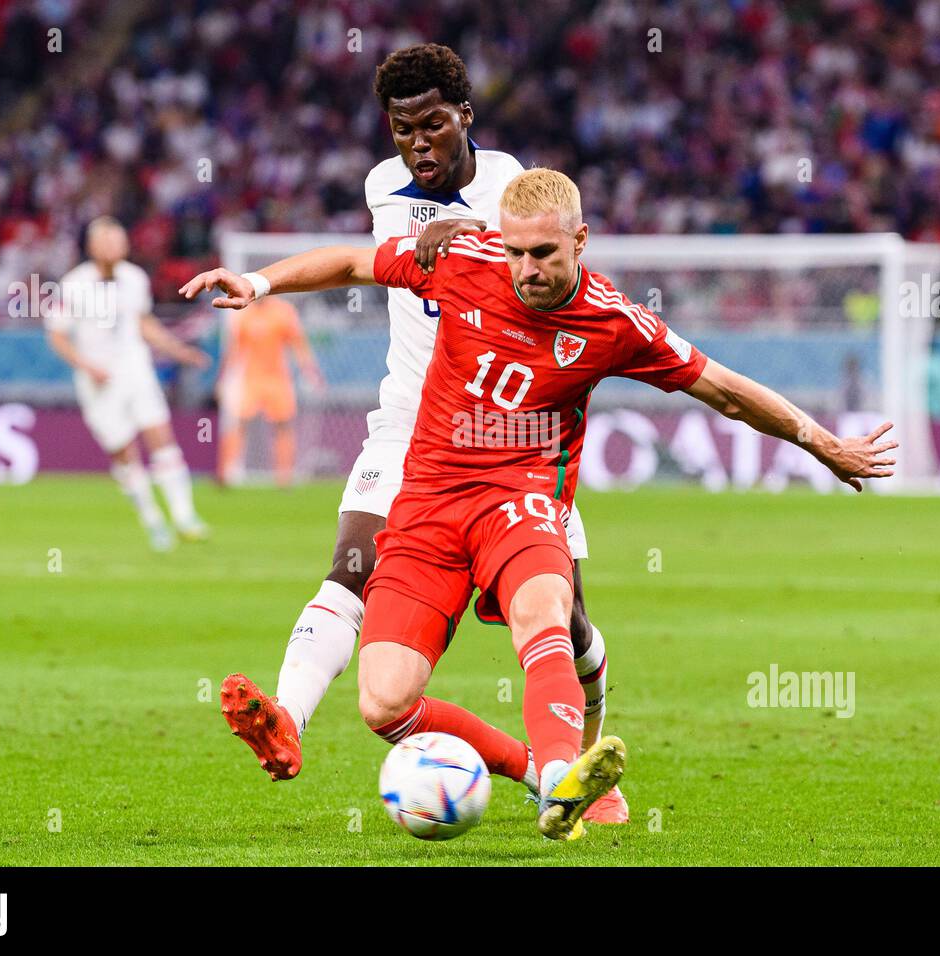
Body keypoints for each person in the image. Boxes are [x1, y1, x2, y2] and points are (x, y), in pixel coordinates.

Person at [181, 168, 898, 840]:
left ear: (580, 241)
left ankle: (562, 779)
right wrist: (257, 281)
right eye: (517, 252)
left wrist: (821, 442)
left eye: (545, 253)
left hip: (520, 502)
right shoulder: (462, 260)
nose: (527, 270)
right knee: (383, 704)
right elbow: (350, 264)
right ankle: (538, 773)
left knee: (545, 610)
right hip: (427, 503)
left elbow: (727, 391)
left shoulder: (616, 322)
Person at [201, 44, 626, 823]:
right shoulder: (380, 187)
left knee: (563, 620)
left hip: (511, 431)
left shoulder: (509, 187)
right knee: (352, 564)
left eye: (433, 125)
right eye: (402, 131)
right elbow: (364, 264)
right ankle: (289, 720)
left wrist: (461, 235)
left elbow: (539, 273)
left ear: (465, 115)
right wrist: (259, 284)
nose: (418, 144)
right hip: (411, 422)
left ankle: (592, 761)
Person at [46, 216, 210, 551]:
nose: (114, 246)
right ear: (92, 246)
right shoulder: (73, 284)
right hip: (98, 380)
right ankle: (152, 520)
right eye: (107, 240)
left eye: (119, 240)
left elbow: (143, 323)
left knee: (161, 437)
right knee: (123, 453)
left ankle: (184, 516)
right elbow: (57, 336)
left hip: (135, 369)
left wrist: (178, 350)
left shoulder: (134, 278)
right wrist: (86, 365)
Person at [217, 296, 323, 487]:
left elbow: (298, 344)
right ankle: (226, 472)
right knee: (239, 423)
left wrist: (310, 371)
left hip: (278, 379)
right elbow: (234, 349)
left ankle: (284, 476)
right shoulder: (242, 313)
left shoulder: (283, 311)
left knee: (283, 425)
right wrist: (223, 378)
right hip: (251, 379)